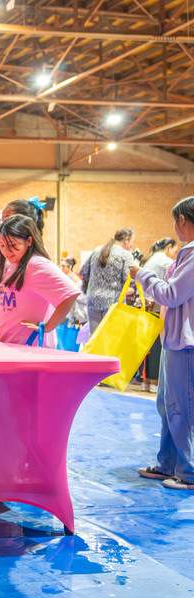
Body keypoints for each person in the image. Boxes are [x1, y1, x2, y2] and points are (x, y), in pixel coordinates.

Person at [132, 197, 194, 490]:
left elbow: (172, 294)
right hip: (174, 340)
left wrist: (143, 275)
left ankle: (189, 471)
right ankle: (169, 463)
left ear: (181, 219)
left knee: (183, 407)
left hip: (186, 343)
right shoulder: (185, 253)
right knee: (168, 406)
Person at [0, 215, 80, 347]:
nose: (6, 251)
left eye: (13, 245)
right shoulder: (16, 265)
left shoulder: (36, 264)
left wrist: (48, 326)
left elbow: (71, 293)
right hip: (13, 345)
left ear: (29, 241)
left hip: (30, 348)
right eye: (2, 245)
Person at [139, 238, 179, 391]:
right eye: (174, 251)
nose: (174, 254)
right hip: (157, 306)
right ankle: (155, 381)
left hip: (145, 306)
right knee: (157, 347)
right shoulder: (166, 262)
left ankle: (146, 381)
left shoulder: (149, 259)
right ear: (169, 247)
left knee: (148, 346)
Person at [78, 228, 136, 332]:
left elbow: (83, 271)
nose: (132, 245)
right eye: (132, 241)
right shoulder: (126, 255)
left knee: (94, 338)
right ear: (126, 240)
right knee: (111, 338)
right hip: (113, 303)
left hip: (93, 300)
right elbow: (130, 279)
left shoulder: (97, 250)